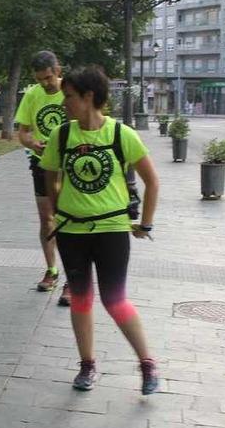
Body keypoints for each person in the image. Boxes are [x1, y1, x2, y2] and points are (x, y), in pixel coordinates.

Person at [39, 65, 160, 395]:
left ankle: (147, 363)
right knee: (80, 299)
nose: (64, 103)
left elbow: (152, 181)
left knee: (114, 300)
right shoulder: (61, 135)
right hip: (71, 233)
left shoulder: (122, 134)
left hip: (111, 231)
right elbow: (49, 173)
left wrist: (145, 223)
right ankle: (87, 365)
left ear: (89, 97)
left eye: (69, 97)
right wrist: (55, 206)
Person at [15, 50, 71, 304]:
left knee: (70, 221)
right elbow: (23, 133)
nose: (46, 84)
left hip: (71, 165)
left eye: (49, 78)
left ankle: (74, 279)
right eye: (41, 80)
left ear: (57, 70)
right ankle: (51, 270)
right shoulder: (32, 95)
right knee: (47, 219)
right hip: (41, 164)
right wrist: (32, 142)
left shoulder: (71, 91)